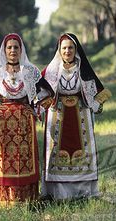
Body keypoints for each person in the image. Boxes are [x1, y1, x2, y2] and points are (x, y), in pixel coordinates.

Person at [0, 33, 54, 208]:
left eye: (16, 47)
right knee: (4, 160)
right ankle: (4, 201)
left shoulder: (30, 71)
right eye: (9, 47)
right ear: (4, 50)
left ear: (21, 50)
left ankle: (27, 200)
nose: (12, 50)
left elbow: (49, 94)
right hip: (2, 123)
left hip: (25, 122)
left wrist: (35, 110)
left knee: (24, 159)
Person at [41, 33, 111, 200]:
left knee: (82, 152)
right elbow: (40, 92)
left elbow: (100, 93)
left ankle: (84, 192)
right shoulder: (51, 70)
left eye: (70, 47)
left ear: (76, 49)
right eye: (64, 48)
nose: (67, 51)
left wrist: (94, 103)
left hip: (81, 117)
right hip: (58, 116)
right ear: (59, 50)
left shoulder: (83, 69)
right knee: (57, 154)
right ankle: (58, 193)